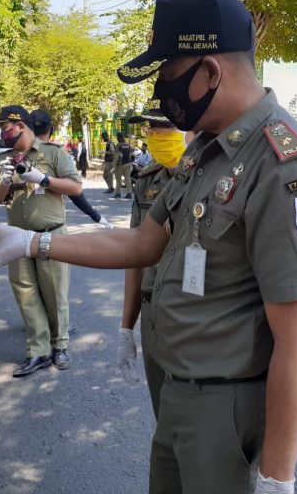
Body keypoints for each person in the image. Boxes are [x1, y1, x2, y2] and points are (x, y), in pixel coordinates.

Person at [0, 0, 297, 494]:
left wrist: (277, 477)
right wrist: (30, 244)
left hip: (227, 409)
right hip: (177, 393)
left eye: (166, 74)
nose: (159, 94)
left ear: (210, 72)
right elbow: (141, 244)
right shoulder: (205, 149)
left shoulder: (284, 165)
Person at [0, 105, 83, 376]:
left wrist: (42, 179)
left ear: (21, 125)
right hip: (16, 238)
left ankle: (60, 346)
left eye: (5, 127)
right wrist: (5, 179)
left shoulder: (52, 153)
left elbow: (75, 187)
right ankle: (37, 351)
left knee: (54, 293)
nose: (2, 133)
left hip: (50, 234)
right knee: (25, 295)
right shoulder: (3, 159)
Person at [117, 106, 188, 418]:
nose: (155, 135)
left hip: (197, 313)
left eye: (164, 127)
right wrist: (125, 328)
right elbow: (135, 254)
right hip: (153, 309)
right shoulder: (147, 180)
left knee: (197, 420)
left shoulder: (215, 178)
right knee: (163, 412)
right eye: (151, 128)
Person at [29, 111, 113, 230]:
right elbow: (74, 190)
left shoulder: (15, 153)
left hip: (18, 236)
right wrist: (95, 216)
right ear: (51, 129)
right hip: (52, 232)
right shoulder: (57, 152)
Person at [113, 132, 133, 199]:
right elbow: (131, 154)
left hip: (120, 165)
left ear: (118, 138)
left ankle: (118, 193)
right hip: (128, 164)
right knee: (128, 179)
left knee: (118, 179)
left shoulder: (118, 146)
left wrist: (113, 167)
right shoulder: (127, 145)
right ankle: (129, 193)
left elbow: (116, 157)